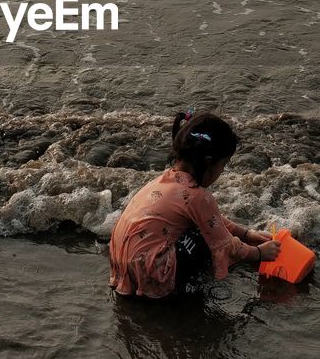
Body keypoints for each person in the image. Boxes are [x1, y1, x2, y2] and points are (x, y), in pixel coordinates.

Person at [108, 110, 280, 298]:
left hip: (122, 263)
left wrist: (245, 233)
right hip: (149, 271)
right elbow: (225, 246)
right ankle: (181, 292)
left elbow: (209, 219)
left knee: (199, 228)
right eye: (223, 165)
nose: (222, 172)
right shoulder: (198, 196)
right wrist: (259, 253)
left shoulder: (164, 180)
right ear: (208, 162)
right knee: (202, 238)